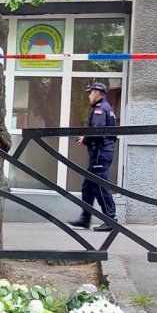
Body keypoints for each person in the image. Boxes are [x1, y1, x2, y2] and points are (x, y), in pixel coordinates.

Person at [68, 82, 119, 232]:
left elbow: (97, 132)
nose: (89, 96)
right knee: (88, 187)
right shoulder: (107, 108)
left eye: (90, 93)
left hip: (100, 153)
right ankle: (85, 218)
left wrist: (85, 139)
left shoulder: (100, 109)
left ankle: (111, 220)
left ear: (97, 93)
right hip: (102, 152)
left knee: (100, 187)